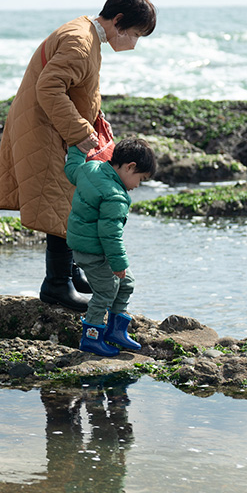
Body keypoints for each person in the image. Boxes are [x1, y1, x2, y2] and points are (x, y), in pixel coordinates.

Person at [0, 0, 156, 312]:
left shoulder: (86, 34)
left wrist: (94, 119)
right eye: (136, 34)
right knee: (63, 203)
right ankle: (57, 285)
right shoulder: (81, 41)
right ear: (119, 21)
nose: (134, 44)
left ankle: (69, 272)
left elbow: (77, 88)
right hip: (45, 130)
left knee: (69, 199)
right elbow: (50, 88)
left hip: (47, 126)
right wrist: (80, 130)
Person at [64, 138, 156, 355]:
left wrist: (78, 149)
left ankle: (116, 330)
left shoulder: (90, 168)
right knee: (105, 291)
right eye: (140, 179)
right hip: (94, 251)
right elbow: (110, 235)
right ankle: (91, 337)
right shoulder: (114, 195)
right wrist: (118, 263)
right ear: (129, 167)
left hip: (87, 246)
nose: (137, 186)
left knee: (126, 282)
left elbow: (71, 169)